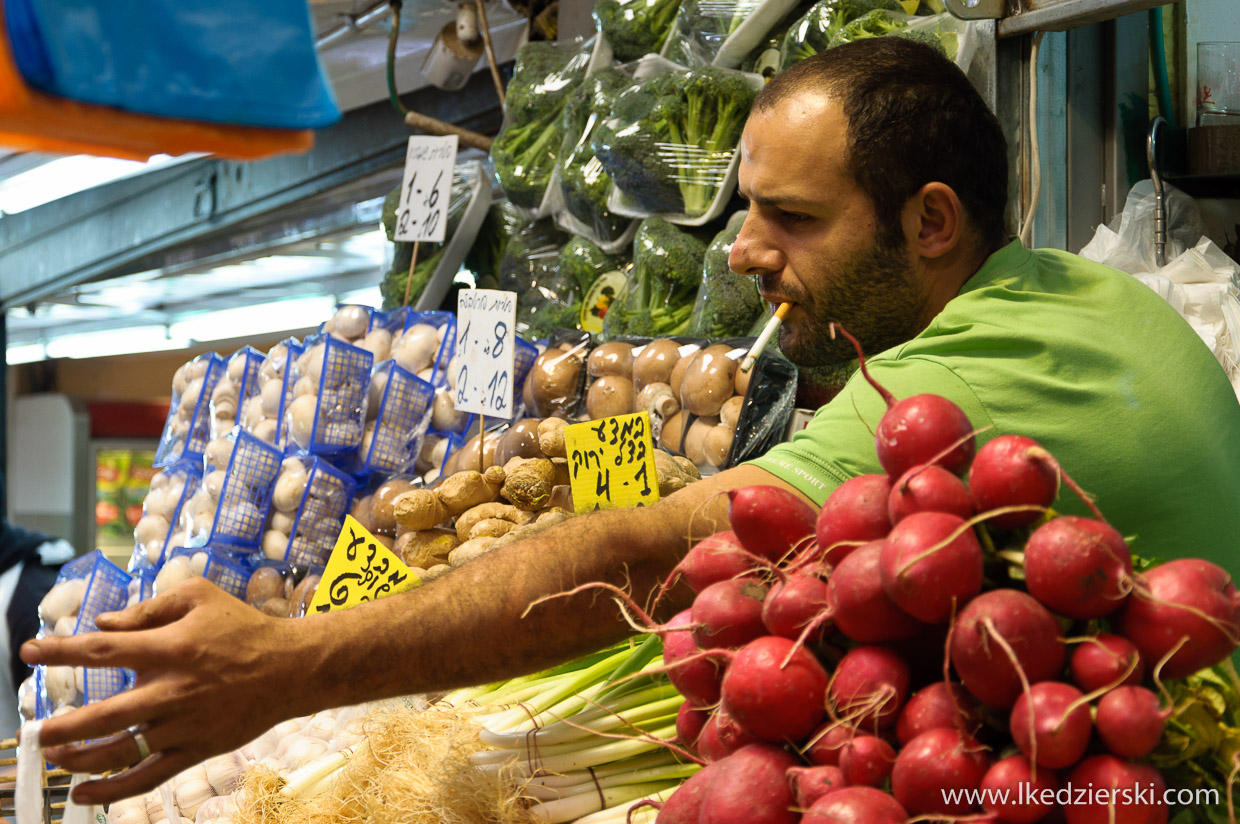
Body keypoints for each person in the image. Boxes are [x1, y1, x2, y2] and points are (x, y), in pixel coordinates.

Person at [22, 37, 1240, 805]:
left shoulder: (977, 381)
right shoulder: (1072, 302)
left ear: (930, 223)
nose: (748, 252)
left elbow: (639, 545)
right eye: (745, 209)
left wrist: (284, 665)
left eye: (794, 219)